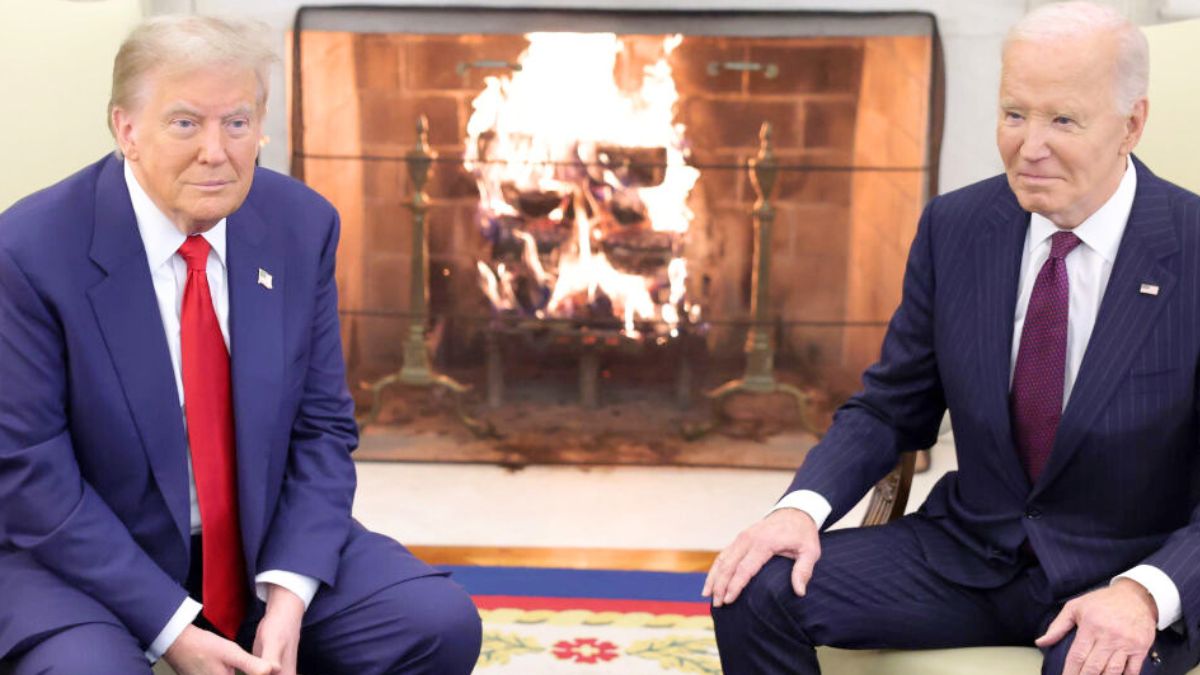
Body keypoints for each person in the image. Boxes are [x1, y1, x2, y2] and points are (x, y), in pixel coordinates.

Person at [705, 3, 1200, 674]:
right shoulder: (957, 227)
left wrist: (1148, 592)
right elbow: (891, 404)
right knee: (756, 589)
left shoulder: (1192, 248)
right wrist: (800, 509)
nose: (1030, 146)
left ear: (1131, 124)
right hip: (969, 556)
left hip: (1123, 572)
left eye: (1063, 120)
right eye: (1014, 113)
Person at [0, 15, 481, 675]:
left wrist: (288, 592)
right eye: (185, 122)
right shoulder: (30, 251)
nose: (216, 151)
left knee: (437, 626)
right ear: (126, 129)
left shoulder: (300, 225)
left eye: (236, 122)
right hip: (89, 559)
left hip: (256, 541)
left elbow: (322, 428)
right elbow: (33, 478)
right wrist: (174, 630)